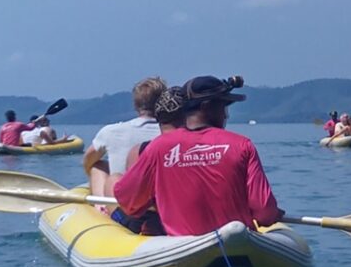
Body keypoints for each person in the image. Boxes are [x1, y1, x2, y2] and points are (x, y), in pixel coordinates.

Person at [114, 74, 283, 237]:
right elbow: (264, 213)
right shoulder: (242, 145)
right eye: (222, 107)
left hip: (182, 251)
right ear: (206, 106)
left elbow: (127, 202)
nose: (226, 115)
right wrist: (273, 215)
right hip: (240, 252)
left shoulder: (158, 147)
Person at [114, 86, 189, 235]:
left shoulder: (141, 150)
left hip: (151, 223)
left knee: (113, 180)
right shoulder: (208, 148)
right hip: (190, 221)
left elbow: (130, 201)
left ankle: (107, 215)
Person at [83, 77, 165, 201]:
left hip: (121, 201)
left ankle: (101, 204)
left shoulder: (110, 131)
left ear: (136, 104)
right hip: (156, 198)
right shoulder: (172, 133)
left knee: (98, 165)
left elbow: (88, 159)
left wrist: (92, 181)